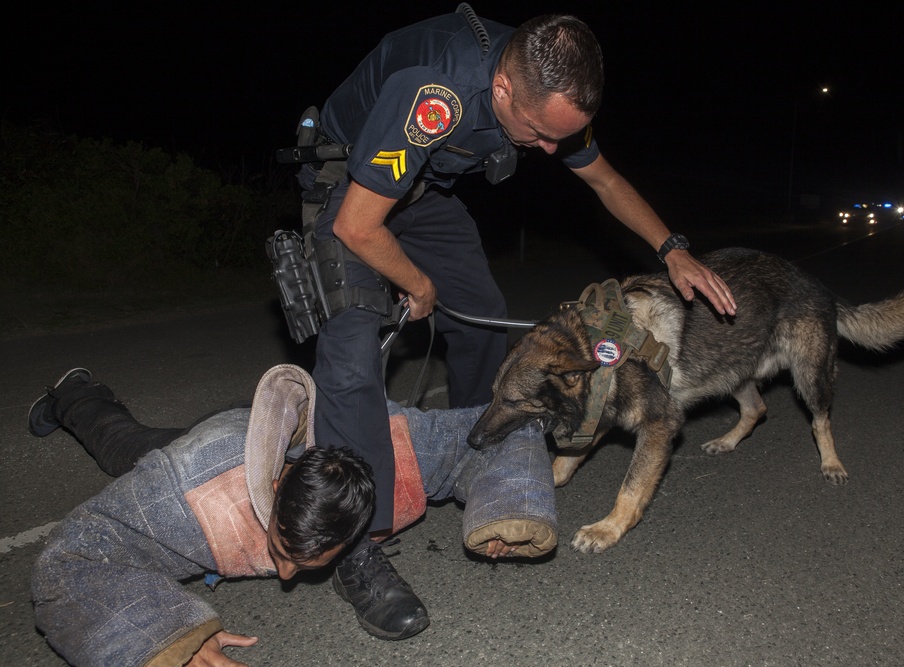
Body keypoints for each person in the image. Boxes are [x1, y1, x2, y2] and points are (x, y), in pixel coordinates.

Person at [294, 7, 739, 638]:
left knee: (483, 318)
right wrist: (415, 282)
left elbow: (605, 181)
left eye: (562, 137)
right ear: (502, 88)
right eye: (539, 133)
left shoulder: (547, 91)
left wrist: (674, 249)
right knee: (351, 351)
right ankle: (355, 544)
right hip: (353, 190)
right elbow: (358, 227)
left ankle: (481, 458)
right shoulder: (435, 95)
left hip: (422, 194)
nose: (551, 150)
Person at [29, 365, 557, 666]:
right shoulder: (185, 494)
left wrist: (508, 506)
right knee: (123, 445)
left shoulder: (401, 454)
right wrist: (163, 637)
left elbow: (503, 428)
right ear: (275, 489)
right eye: (282, 554)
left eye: (305, 563)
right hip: (210, 454)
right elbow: (71, 557)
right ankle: (75, 392)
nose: (285, 579)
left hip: (295, 431)